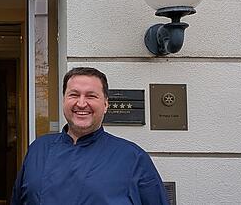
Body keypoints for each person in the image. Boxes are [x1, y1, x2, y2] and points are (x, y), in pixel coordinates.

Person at [11, 67, 169, 205]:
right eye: (74, 95)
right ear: (64, 100)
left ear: (106, 104)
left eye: (91, 96)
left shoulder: (133, 157)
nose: (81, 103)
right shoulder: (38, 149)